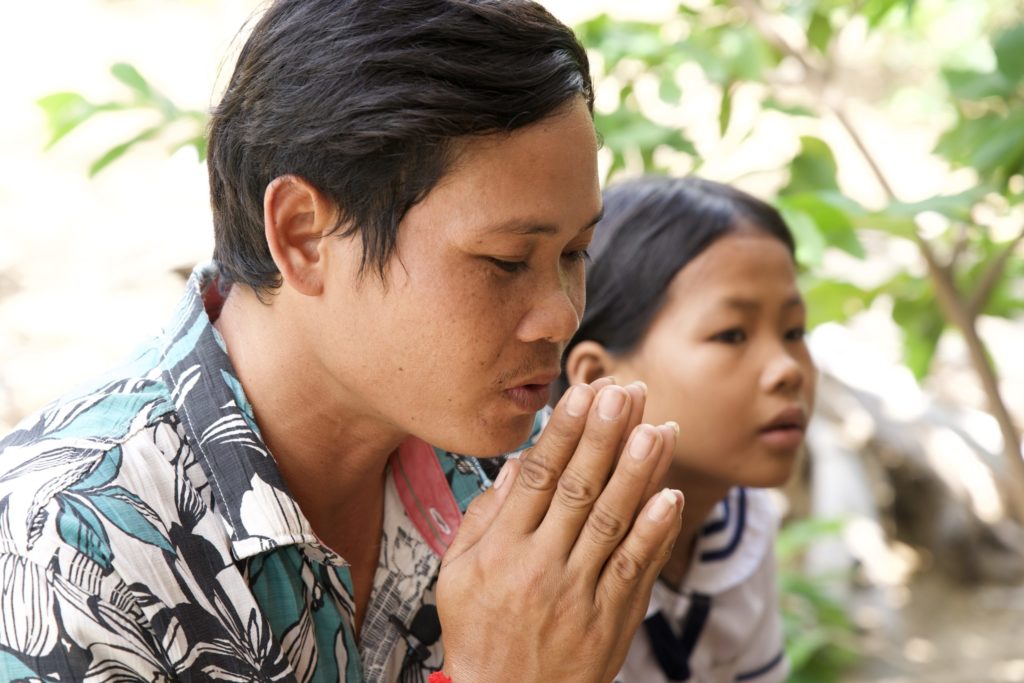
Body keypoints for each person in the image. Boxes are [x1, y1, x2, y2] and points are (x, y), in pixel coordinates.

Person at [0, 2, 685, 681]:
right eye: (506, 261)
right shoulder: (65, 548)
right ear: (304, 236)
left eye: (575, 253)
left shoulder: (516, 481)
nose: (561, 316)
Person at [558, 176, 817, 682]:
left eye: (794, 331)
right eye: (732, 334)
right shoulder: (546, 563)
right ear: (599, 379)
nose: (788, 369)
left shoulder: (744, 523)